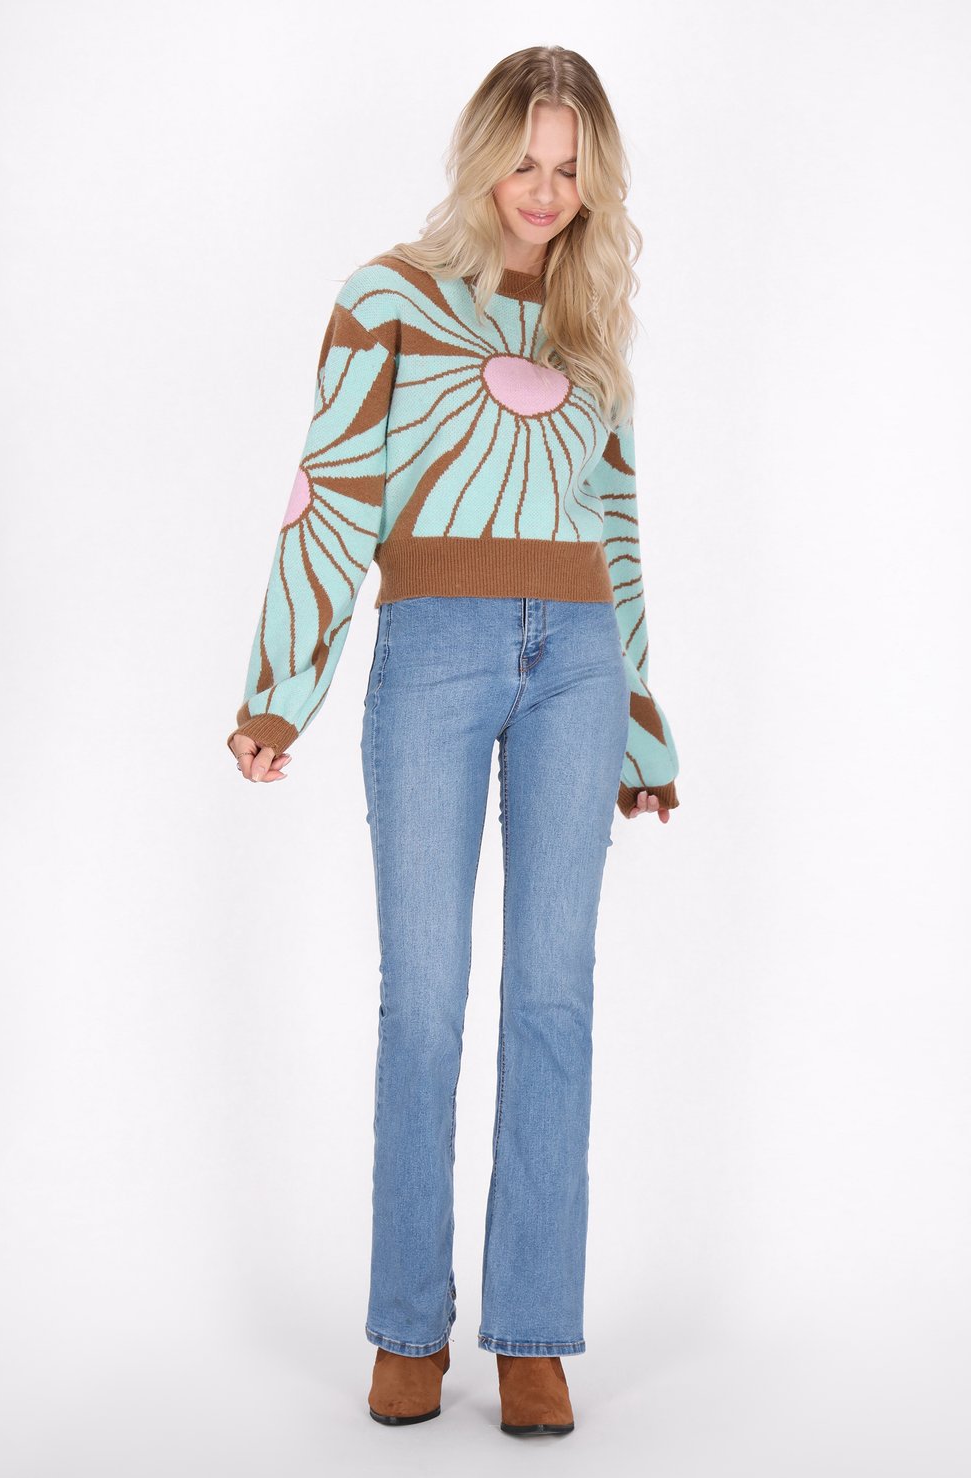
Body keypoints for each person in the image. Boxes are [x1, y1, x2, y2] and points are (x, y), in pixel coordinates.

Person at [225, 45, 681, 1437]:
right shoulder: (389, 297)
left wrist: (644, 728)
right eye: (524, 161)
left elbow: (618, 533)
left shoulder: (591, 333)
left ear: (595, 184)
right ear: (484, 154)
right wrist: (279, 689)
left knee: (554, 997)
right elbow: (331, 494)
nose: (543, 191)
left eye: (569, 170)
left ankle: (533, 1331)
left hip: (579, 666)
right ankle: (408, 1323)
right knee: (422, 998)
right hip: (433, 653)